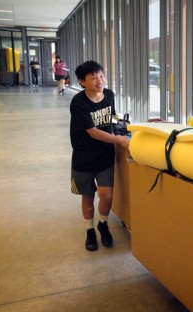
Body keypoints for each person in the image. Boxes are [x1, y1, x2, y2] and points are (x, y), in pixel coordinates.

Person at [69, 60, 130, 251]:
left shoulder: (109, 94)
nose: (99, 81)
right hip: (83, 157)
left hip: (104, 155)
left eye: (101, 76)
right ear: (82, 81)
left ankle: (103, 224)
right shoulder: (78, 103)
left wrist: (126, 126)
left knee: (107, 195)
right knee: (88, 196)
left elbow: (111, 117)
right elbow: (92, 131)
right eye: (93, 78)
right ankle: (89, 231)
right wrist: (119, 141)